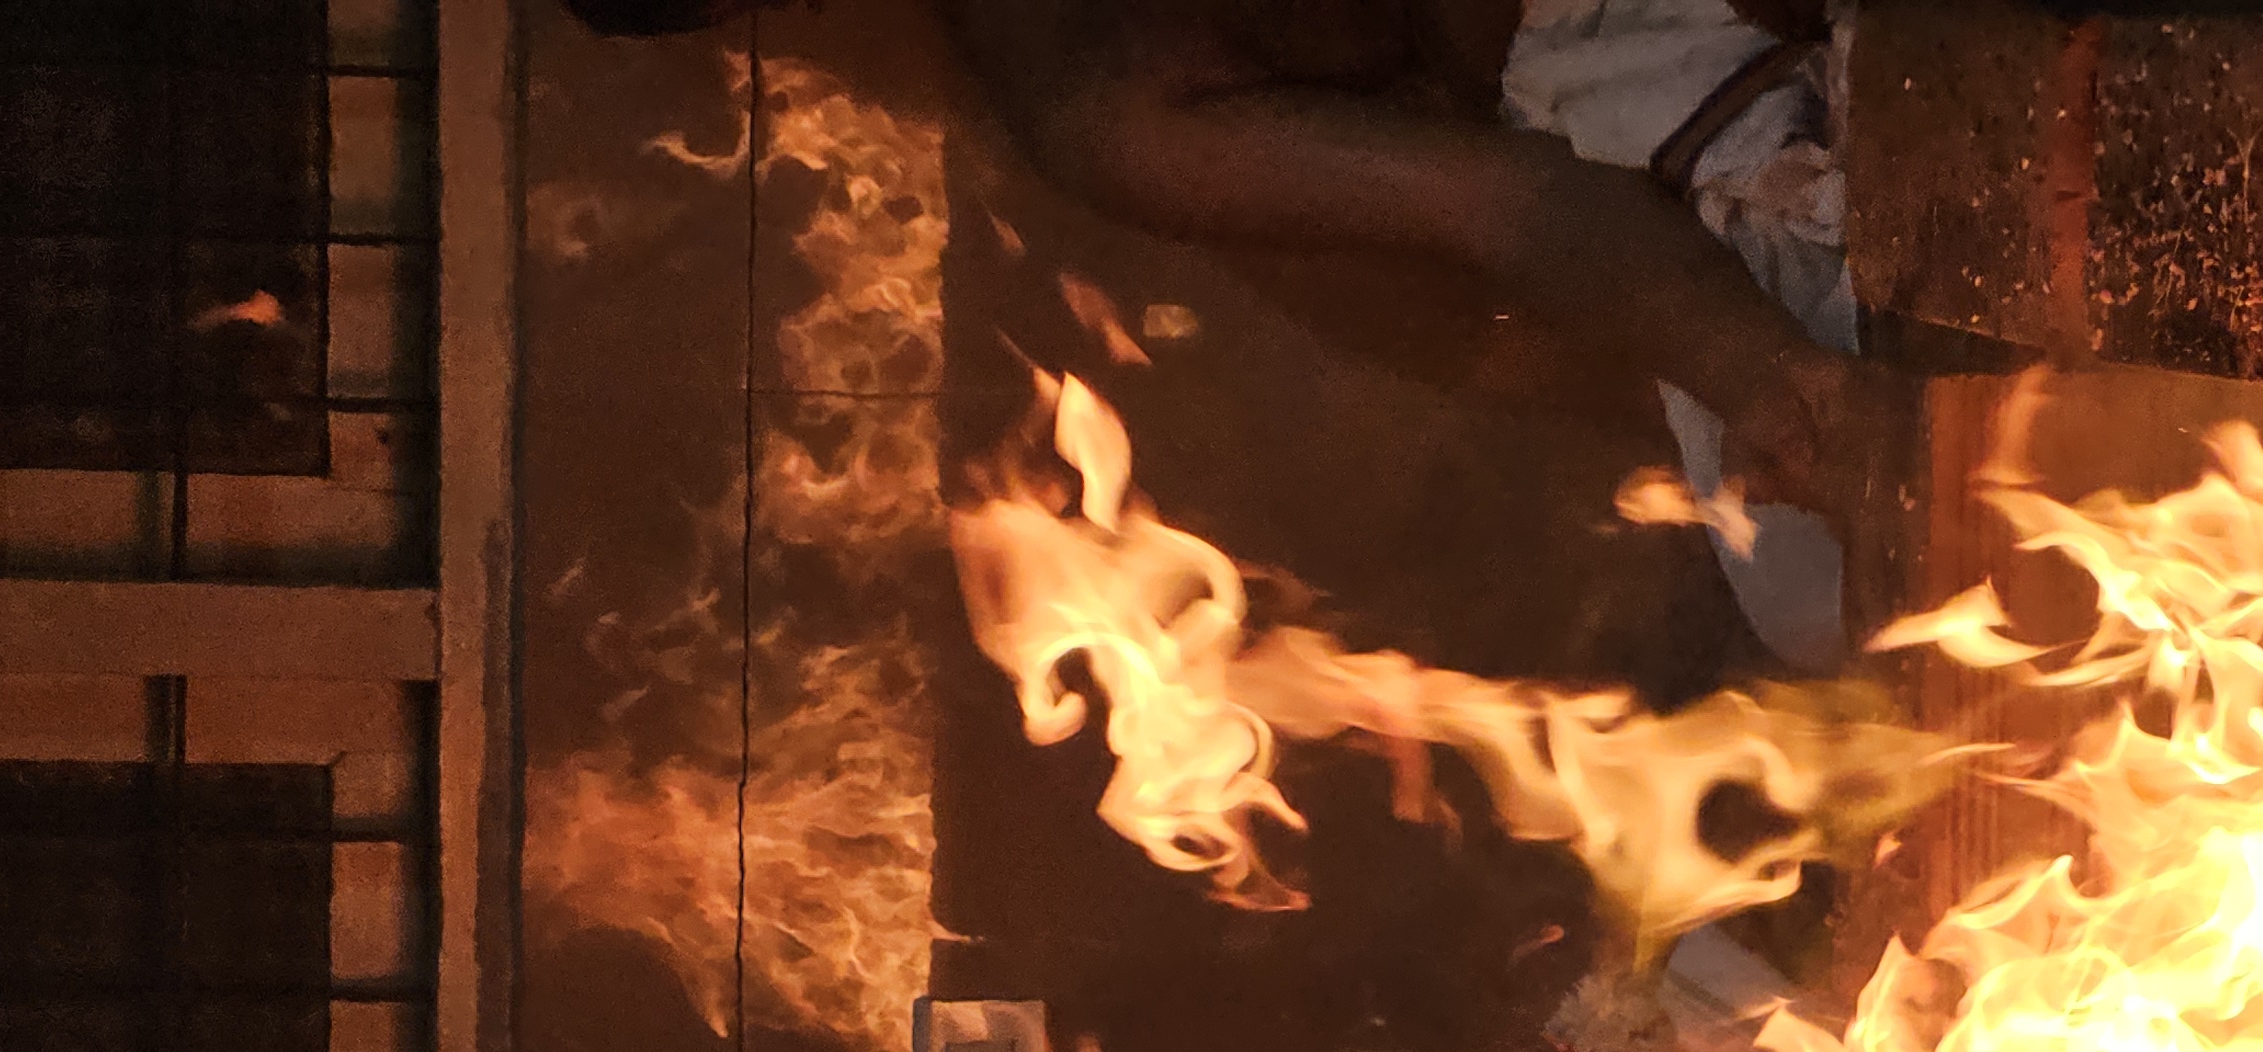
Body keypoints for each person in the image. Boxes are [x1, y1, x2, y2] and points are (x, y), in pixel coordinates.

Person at [575, 0, 1899, 670]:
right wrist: (1772, 384)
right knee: (1817, 587)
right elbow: (1516, 211)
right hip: (1650, 87)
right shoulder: (1102, 97)